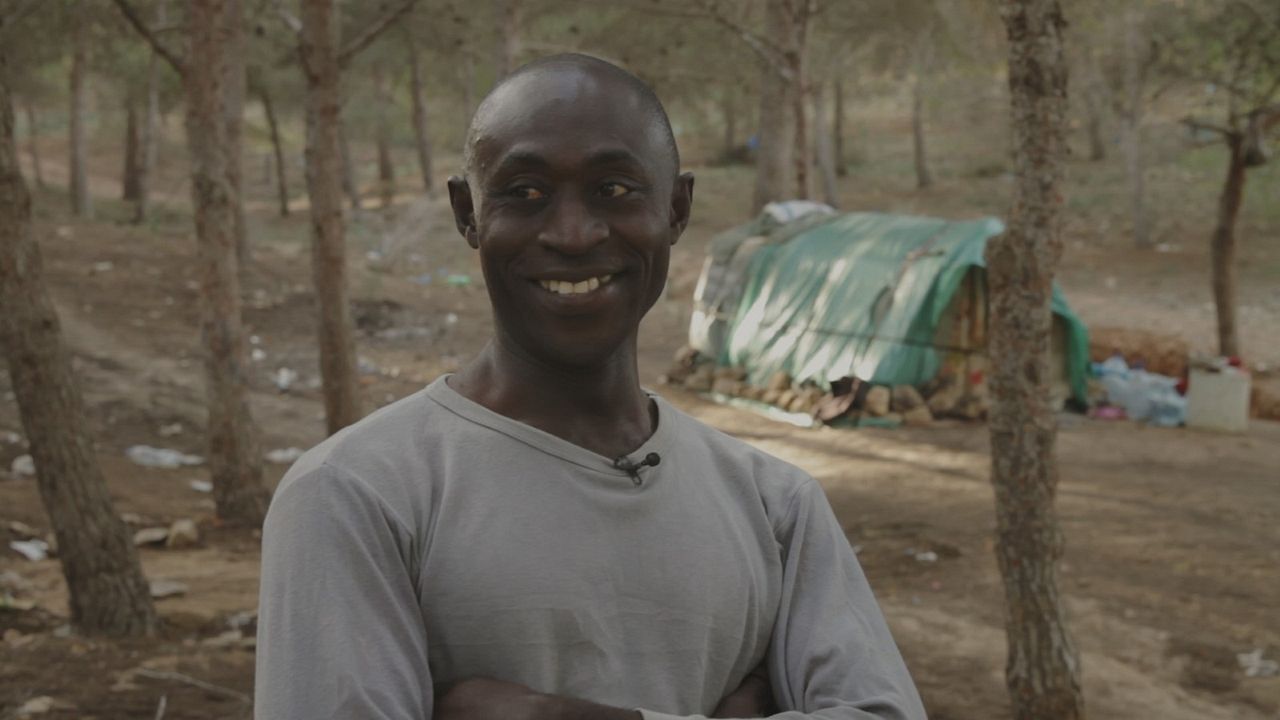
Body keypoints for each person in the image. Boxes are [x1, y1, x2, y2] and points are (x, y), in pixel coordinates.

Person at [255, 54, 926, 720]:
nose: (572, 234)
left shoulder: (775, 506)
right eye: (524, 193)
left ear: (677, 207)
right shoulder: (357, 494)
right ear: (468, 213)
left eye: (614, 189)